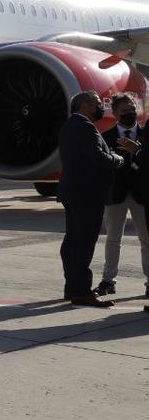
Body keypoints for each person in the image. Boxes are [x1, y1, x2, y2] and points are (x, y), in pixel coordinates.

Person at [57, 91, 123, 307]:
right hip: (86, 194)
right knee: (83, 243)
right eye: (96, 103)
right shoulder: (84, 126)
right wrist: (116, 158)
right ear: (85, 105)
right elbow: (96, 157)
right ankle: (82, 291)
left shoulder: (70, 125)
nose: (99, 107)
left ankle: (72, 287)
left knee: (73, 241)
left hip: (73, 192)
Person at [97, 93, 149, 297]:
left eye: (133, 108)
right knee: (112, 239)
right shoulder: (106, 136)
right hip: (115, 194)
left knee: (146, 239)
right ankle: (108, 280)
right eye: (125, 110)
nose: (130, 112)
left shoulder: (146, 134)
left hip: (141, 194)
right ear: (116, 113)